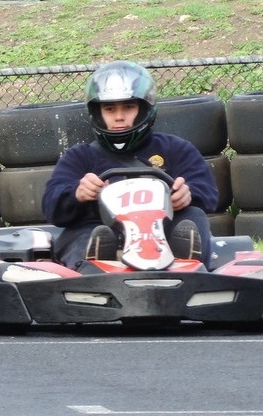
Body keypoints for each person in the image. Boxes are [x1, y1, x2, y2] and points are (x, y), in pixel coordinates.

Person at [42, 61, 219, 269]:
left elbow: (208, 192)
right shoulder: (81, 157)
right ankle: (96, 270)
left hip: (161, 232)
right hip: (102, 230)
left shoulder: (175, 149)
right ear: (98, 113)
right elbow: (51, 206)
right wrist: (77, 194)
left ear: (144, 109)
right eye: (109, 109)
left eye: (128, 107)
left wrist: (188, 195)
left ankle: (187, 267)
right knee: (83, 236)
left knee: (193, 217)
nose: (119, 117)